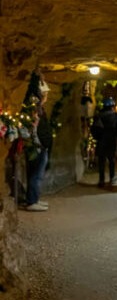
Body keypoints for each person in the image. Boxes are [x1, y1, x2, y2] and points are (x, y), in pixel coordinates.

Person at [25, 79, 52, 211]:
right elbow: (35, 129)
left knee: (37, 174)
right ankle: (31, 201)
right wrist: (40, 144)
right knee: (36, 174)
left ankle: (34, 199)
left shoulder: (39, 109)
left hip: (41, 146)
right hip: (38, 147)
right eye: (45, 94)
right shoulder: (35, 110)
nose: (46, 96)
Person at [91, 98, 117, 188]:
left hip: (101, 141)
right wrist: (116, 137)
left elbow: (94, 130)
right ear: (112, 106)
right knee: (111, 160)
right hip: (111, 141)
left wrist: (97, 138)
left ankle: (101, 180)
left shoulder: (98, 116)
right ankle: (112, 178)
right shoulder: (115, 116)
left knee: (101, 161)